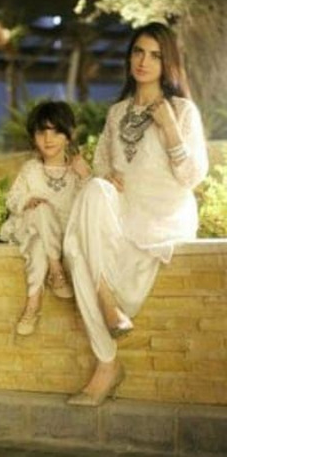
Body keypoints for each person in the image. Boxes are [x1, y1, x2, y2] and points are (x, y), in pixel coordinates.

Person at [63, 22, 208, 406]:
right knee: (93, 194)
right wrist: (105, 176)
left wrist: (170, 128)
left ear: (167, 63)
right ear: (130, 57)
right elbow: (101, 168)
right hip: (122, 214)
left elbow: (192, 177)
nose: (144, 61)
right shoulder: (116, 114)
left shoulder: (182, 110)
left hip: (163, 216)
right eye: (138, 52)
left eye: (155, 55)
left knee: (76, 249)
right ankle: (108, 314)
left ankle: (106, 363)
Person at [0, 101, 92, 336]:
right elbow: (12, 198)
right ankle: (56, 271)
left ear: (69, 135)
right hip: (29, 225)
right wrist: (26, 201)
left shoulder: (76, 171)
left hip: (57, 234)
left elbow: (89, 205)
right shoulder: (31, 169)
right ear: (33, 137)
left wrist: (85, 176)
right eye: (41, 132)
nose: (48, 139)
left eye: (56, 131)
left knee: (39, 246)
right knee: (41, 209)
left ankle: (33, 304)